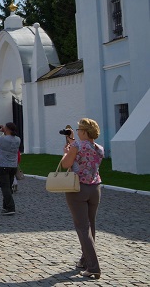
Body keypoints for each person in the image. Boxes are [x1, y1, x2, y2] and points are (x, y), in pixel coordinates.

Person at [60, 118, 104, 280]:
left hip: (77, 188)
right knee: (90, 225)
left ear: (84, 132)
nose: (77, 132)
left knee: (82, 227)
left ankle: (93, 267)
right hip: (95, 188)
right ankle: (85, 260)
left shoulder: (77, 146)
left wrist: (66, 152)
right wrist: (72, 143)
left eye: (79, 130)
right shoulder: (99, 148)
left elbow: (66, 164)